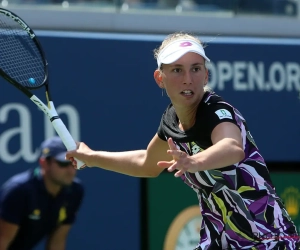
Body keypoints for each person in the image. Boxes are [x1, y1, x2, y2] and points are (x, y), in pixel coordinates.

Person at [66, 32, 299, 249]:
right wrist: (92, 157)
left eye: (196, 69)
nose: (188, 79)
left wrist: (194, 162)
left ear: (206, 74)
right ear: (160, 78)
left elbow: (232, 147)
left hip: (269, 240)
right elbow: (147, 163)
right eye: (177, 70)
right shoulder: (171, 122)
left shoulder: (216, 111)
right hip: (219, 241)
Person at [0, 136, 84, 250]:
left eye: (74, 163)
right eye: (63, 164)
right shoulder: (19, 190)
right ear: (44, 163)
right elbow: (2, 241)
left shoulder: (75, 191)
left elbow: (57, 242)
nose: (71, 171)